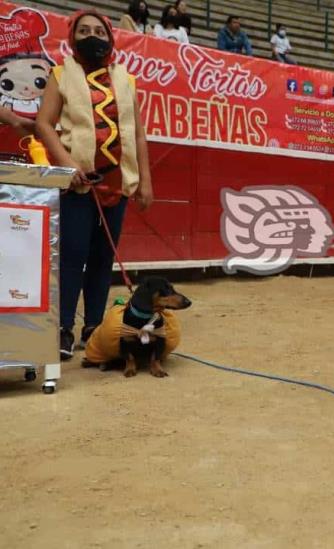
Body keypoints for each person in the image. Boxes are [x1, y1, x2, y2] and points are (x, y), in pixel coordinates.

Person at [35, 10, 153, 361]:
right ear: (72, 38)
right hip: (79, 183)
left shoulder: (126, 80)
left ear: (110, 37)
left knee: (103, 259)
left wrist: (145, 179)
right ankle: (63, 329)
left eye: (99, 30)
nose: (92, 35)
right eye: (84, 30)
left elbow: (139, 134)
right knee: (72, 257)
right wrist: (68, 165)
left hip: (117, 183)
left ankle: (96, 329)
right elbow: (43, 124)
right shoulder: (60, 74)